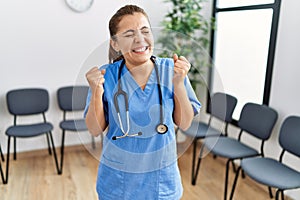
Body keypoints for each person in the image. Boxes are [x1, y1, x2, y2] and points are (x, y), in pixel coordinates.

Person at [84, 4, 201, 200]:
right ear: (115, 43)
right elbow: (95, 130)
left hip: (161, 183)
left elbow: (185, 123)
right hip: (118, 183)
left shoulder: (172, 69)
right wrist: (96, 91)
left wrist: (178, 83)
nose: (140, 40)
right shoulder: (106, 76)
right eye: (129, 34)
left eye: (145, 31)